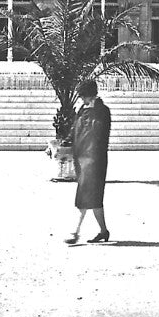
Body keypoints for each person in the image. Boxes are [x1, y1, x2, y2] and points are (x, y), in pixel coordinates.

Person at [65, 78, 112, 245]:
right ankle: (103, 231)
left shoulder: (102, 111)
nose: (82, 100)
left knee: (84, 195)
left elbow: (97, 133)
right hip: (82, 158)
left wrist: (92, 111)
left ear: (91, 96)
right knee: (94, 198)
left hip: (94, 159)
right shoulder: (82, 110)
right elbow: (75, 128)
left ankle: (74, 232)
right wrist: (67, 141)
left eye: (84, 96)